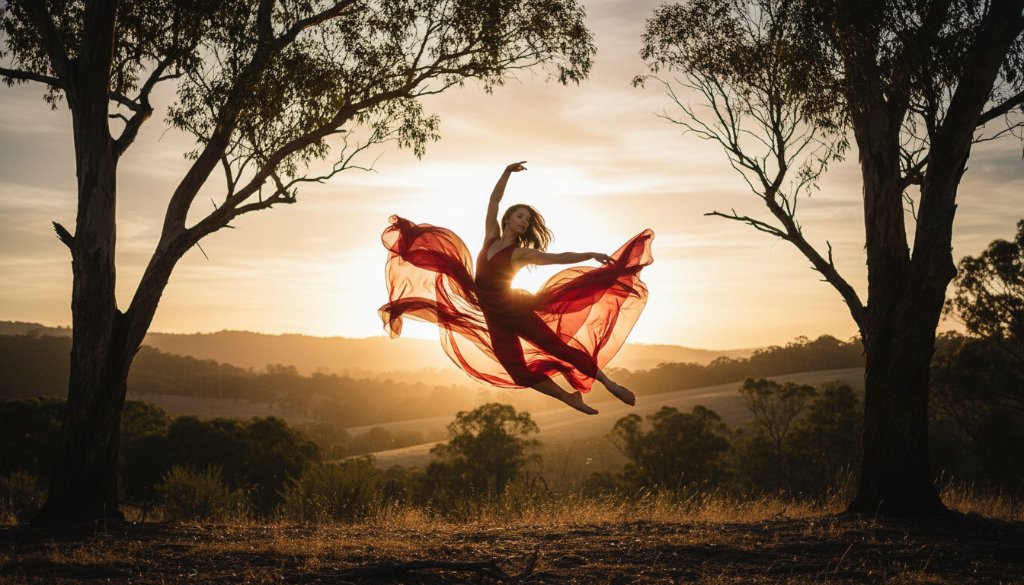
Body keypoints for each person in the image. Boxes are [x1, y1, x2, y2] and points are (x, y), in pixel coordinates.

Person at [379, 161, 654, 414]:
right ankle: (569, 398)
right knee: (517, 371)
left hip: (516, 311)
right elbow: (493, 201)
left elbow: (558, 258)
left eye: (527, 220)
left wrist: (589, 255)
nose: (523, 221)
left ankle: (610, 384)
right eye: (520, 216)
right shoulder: (490, 237)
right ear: (508, 219)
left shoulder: (520, 253)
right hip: (493, 315)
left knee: (560, 349)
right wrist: (506, 173)